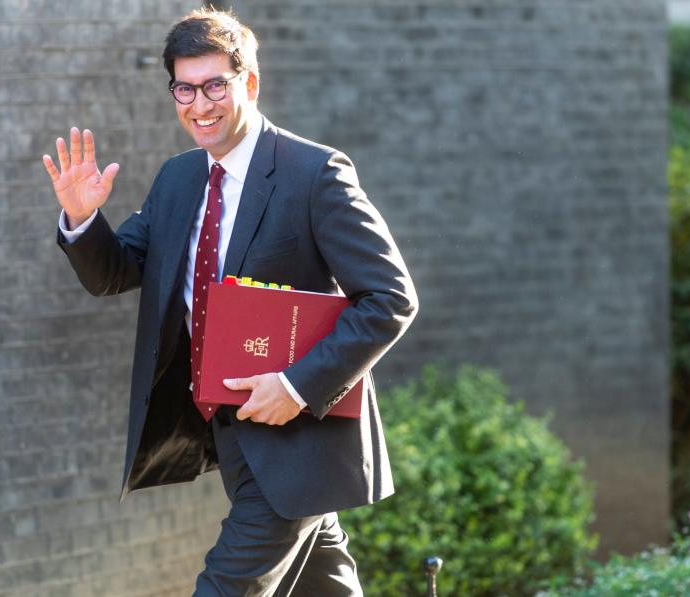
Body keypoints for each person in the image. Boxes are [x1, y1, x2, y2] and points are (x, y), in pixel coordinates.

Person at [42, 8, 418, 596]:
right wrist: (82, 219)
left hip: (298, 436)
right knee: (326, 586)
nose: (200, 104)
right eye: (185, 89)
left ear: (250, 83)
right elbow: (117, 272)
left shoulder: (314, 174)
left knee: (225, 587)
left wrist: (295, 386)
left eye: (215, 84)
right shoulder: (179, 179)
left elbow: (390, 299)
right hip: (227, 428)